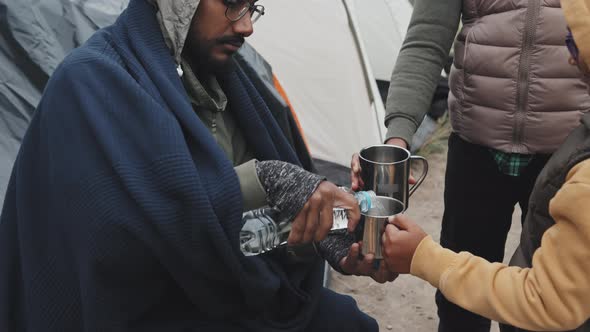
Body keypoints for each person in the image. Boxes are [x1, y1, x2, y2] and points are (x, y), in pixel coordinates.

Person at [0, 0, 396, 330]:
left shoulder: (229, 85)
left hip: (224, 292)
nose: (246, 27)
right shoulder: (88, 83)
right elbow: (134, 242)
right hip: (139, 311)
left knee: (350, 325)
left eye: (252, 7)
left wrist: (319, 236)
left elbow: (239, 234)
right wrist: (271, 180)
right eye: (231, 4)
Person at [351, 0, 590, 330]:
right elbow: (426, 40)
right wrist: (398, 138)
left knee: (550, 300)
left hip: (567, 160)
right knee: (458, 297)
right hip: (476, 150)